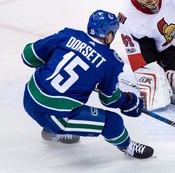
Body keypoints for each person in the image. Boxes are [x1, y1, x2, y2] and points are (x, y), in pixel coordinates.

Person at [21, 9, 154, 159]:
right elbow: (109, 99)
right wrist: (129, 102)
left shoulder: (67, 35)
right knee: (112, 121)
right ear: (109, 35)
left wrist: (51, 61)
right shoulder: (110, 61)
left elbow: (28, 56)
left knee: (66, 98)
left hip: (28, 99)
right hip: (56, 117)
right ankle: (127, 146)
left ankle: (50, 131)